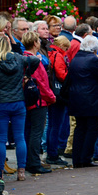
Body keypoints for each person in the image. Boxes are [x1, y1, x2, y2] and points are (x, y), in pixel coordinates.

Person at [0, 35, 40, 181]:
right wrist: (26, 74)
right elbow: (34, 60)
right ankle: (21, 171)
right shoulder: (18, 59)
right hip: (18, 102)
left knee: (2, 139)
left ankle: (0, 172)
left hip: (0, 103)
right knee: (20, 137)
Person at [67, 36, 98, 168]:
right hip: (91, 98)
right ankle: (86, 157)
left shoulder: (75, 59)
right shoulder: (93, 60)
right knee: (92, 128)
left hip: (76, 98)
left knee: (80, 128)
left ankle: (77, 159)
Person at [22, 31, 56, 175]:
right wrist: (51, 97)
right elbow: (41, 82)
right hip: (38, 101)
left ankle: (30, 161)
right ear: (35, 43)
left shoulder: (25, 58)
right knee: (36, 132)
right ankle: (34, 163)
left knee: (30, 132)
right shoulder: (34, 60)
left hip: (32, 100)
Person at [45, 36, 71, 166]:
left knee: (52, 125)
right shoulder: (59, 55)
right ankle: (53, 153)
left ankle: (51, 152)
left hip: (51, 92)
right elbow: (61, 75)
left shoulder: (50, 53)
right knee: (56, 125)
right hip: (58, 93)